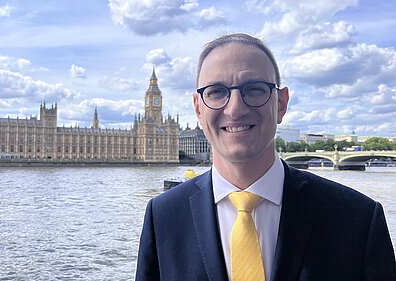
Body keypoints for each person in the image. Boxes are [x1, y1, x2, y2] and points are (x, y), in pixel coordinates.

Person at [135, 33, 396, 281]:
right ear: (198, 109)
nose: (235, 108)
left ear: (281, 104)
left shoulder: (358, 218)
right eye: (216, 91)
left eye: (254, 89)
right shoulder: (163, 217)